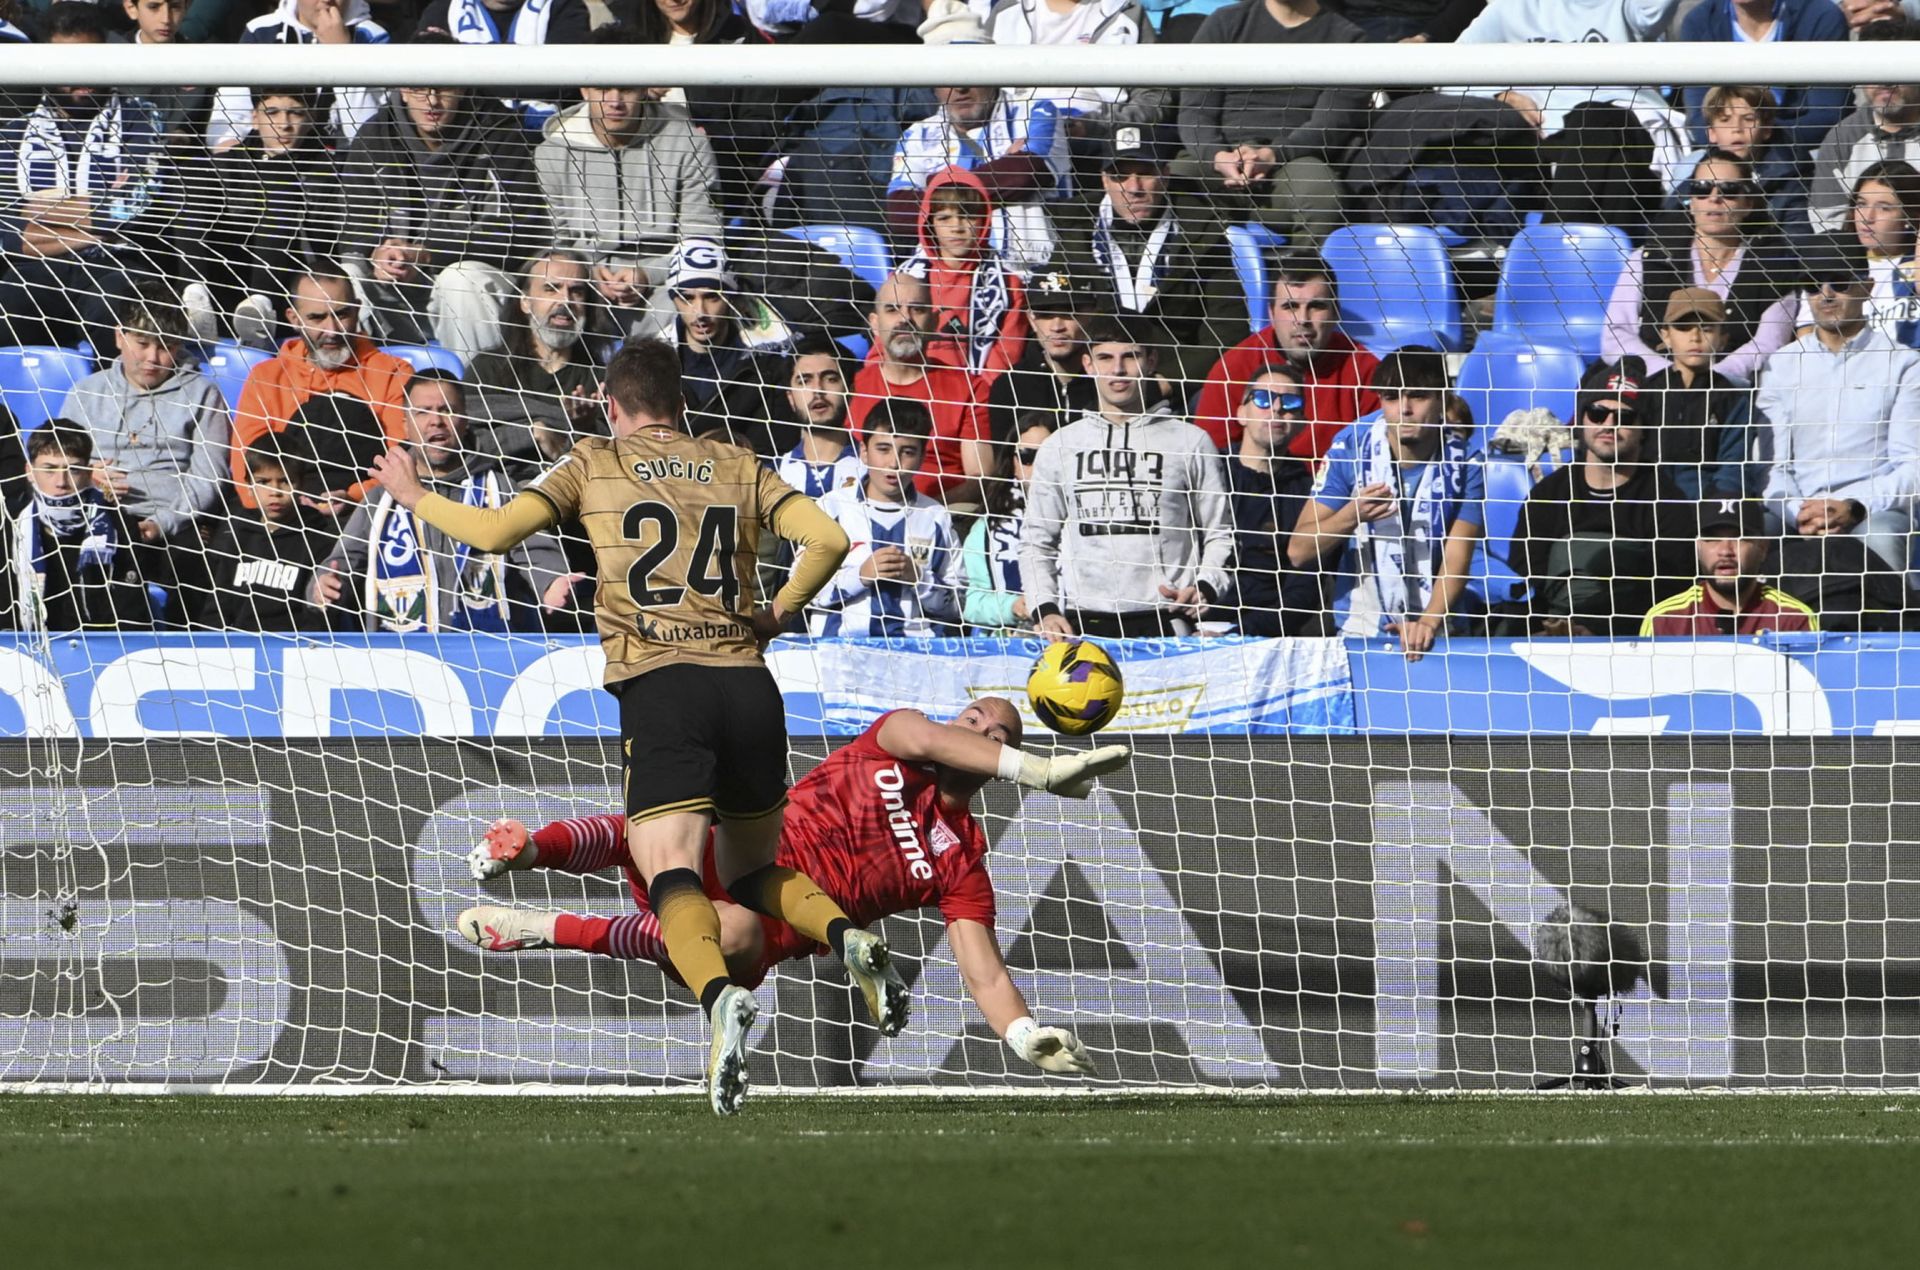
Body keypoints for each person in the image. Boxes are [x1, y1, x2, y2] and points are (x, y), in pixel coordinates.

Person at [366, 339, 879, 1116]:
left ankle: (717, 998)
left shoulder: (593, 463)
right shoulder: (737, 461)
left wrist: (413, 495)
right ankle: (844, 936)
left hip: (663, 684)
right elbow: (832, 540)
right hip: (749, 684)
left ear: (612, 405)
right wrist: (776, 613)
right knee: (747, 874)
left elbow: (496, 534)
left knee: (666, 866)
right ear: (681, 401)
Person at [459, 697, 1125, 1077]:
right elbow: (925, 734)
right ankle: (529, 850)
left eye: (996, 732)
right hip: (746, 842)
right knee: (665, 832)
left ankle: (544, 929)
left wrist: (1024, 1036)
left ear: (996, 763)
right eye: (975, 716)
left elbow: (983, 973)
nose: (977, 729)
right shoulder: (895, 736)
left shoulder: (962, 861)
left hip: (774, 922)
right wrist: (1037, 768)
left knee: (729, 937)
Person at [1019, 314, 1235, 639]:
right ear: (1088, 364)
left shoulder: (1191, 442)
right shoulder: (1060, 446)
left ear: (1150, 361)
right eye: (1105, 358)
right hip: (1083, 622)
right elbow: (1036, 541)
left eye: (1129, 356)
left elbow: (1222, 532)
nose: (1117, 371)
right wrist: (1045, 608)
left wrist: (1206, 586)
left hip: (1167, 618)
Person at [314, 372, 577, 632]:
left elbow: (534, 550)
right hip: (402, 655)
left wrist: (551, 581)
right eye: (423, 412)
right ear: (405, 424)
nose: (436, 421)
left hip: (487, 653)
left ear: (465, 421)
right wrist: (322, 583)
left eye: (447, 410)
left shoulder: (499, 487)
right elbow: (344, 559)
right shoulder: (381, 497)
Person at [336, 52, 551, 362]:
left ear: (462, 87)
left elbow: (520, 235)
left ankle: (483, 397)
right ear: (403, 89)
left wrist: (428, 252)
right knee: (346, 275)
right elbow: (353, 226)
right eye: (419, 88)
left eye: (444, 88)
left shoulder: (501, 133)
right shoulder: (374, 136)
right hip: (397, 289)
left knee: (461, 279)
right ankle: (358, 392)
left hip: (480, 293)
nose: (432, 101)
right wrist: (378, 253)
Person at [1286, 347, 1484, 659]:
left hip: (1440, 631)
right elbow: (1298, 551)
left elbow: (1458, 556)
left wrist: (1427, 624)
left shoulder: (1466, 461)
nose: (1403, 409)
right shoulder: (1350, 446)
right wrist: (1352, 515)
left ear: (1444, 400)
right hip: (1361, 630)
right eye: (1391, 397)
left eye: (1417, 396)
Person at [1759, 233, 1920, 571]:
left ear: (1868, 286)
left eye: (1840, 282)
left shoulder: (1904, 363)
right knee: (1752, 533)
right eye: (1813, 285)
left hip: (1873, 510)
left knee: (1883, 535)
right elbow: (1771, 467)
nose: (1826, 294)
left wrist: (1854, 505)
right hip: (1798, 510)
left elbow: (1913, 465)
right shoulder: (1781, 365)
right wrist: (1800, 511)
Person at [1507, 358, 1701, 637]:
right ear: (1583, 418)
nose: (1609, 424)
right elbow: (1525, 568)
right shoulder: (1548, 494)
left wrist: (1600, 628)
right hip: (1553, 632)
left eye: (1624, 417)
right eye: (1597, 413)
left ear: (1644, 429)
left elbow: (1673, 587)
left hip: (1634, 639)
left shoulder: (1667, 501)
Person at [533, 26, 724, 290]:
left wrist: (648, 274)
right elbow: (558, 243)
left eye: (626, 88)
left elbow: (701, 236)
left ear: (645, 87)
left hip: (668, 283)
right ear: (584, 90)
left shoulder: (687, 142)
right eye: (603, 88)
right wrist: (587, 274)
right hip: (583, 285)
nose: (615, 101)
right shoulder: (552, 152)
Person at [1173, 0, 1368, 247]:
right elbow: (1195, 110)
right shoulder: (1225, 21)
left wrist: (1271, 155)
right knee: (1170, 183)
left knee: (1321, 194)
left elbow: (1331, 124)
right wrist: (1218, 155)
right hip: (1219, 157)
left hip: (1292, 159)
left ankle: (1299, 281)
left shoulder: (1347, 37)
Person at [1064, 122, 1239, 394]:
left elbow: (1227, 332)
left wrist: (1166, 383)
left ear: (1165, 175)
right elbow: (1053, 318)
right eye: (1120, 177)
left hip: (1179, 383)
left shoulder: (1205, 233)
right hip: (1091, 379)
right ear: (1104, 181)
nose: (1134, 188)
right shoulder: (1072, 233)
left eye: (1145, 173)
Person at [1604, 148, 1798, 385]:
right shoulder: (1648, 257)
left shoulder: (1775, 266)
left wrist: (1712, 380)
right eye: (1702, 189)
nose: (1714, 198)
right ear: (1691, 203)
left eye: (1729, 190)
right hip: (1649, 385)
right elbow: (1616, 334)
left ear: (1748, 204)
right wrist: (1670, 375)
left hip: (1733, 390)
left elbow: (1769, 343)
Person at [177, 87, 348, 347]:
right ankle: (194, 298)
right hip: (233, 274)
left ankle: (261, 306)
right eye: (272, 112)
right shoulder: (233, 161)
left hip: (298, 280)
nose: (284, 124)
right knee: (195, 176)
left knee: (280, 187)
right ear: (254, 118)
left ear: (311, 117)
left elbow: (326, 239)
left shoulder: (330, 165)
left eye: (295, 113)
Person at [60, 291, 230, 552]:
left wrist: (164, 522)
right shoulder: (85, 392)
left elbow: (209, 477)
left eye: (166, 347)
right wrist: (85, 475)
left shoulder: (202, 393)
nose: (153, 357)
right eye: (142, 343)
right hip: (92, 513)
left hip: (173, 524)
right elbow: (57, 460)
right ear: (119, 337)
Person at [231, 271, 414, 508]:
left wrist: (355, 497)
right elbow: (246, 466)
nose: (332, 330)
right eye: (317, 318)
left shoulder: (393, 373)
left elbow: (402, 458)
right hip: (283, 512)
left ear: (357, 310)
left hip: (368, 510)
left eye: (341, 314)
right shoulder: (266, 377)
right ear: (294, 319)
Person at [1190, 250, 1380, 457]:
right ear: (1271, 314)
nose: (1302, 319)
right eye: (1290, 306)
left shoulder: (1365, 370)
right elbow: (1211, 457)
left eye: (1316, 306)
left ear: (1335, 314)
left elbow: (1378, 455)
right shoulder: (1235, 366)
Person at [807, 402, 965, 636]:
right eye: (883, 449)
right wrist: (860, 575)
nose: (894, 463)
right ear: (863, 451)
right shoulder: (831, 508)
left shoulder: (935, 517)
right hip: (840, 651)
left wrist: (919, 578)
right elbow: (802, 592)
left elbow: (959, 605)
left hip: (917, 654)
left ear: (922, 457)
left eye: (907, 452)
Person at [886, 81, 1072, 275]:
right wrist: (1005, 167)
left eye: (970, 77)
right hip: (949, 278)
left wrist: (935, 183)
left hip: (1034, 270)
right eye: (946, 81)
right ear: (934, 88)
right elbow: (900, 212)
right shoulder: (917, 134)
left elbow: (1026, 175)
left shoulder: (1035, 110)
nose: (960, 89)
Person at [850, 272, 994, 508]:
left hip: (945, 512)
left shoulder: (970, 389)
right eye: (892, 309)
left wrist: (924, 510)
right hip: (863, 511)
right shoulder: (853, 387)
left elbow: (980, 478)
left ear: (934, 321)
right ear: (874, 324)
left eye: (917, 309)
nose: (905, 318)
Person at [462, 249, 607, 476]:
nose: (565, 300)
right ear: (525, 302)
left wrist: (583, 429)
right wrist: (531, 432)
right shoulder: (488, 368)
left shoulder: (601, 379)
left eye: (577, 291)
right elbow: (465, 440)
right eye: (552, 288)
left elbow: (611, 458)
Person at [0, 423, 155, 631]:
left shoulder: (118, 526)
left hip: (99, 650)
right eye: (49, 469)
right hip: (27, 652)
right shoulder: (10, 526)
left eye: (73, 469)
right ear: (29, 472)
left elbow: (131, 613)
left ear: (89, 472)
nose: (61, 482)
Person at [659, 238, 794, 455]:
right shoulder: (653, 361)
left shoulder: (769, 359)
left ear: (730, 297)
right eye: (687, 298)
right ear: (674, 300)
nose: (699, 312)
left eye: (712, 297)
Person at [898, 167, 1029, 381]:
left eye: (967, 216)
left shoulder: (1008, 287)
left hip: (974, 400)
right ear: (929, 223)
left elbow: (1001, 365)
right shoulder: (905, 278)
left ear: (984, 220)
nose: (956, 227)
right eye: (944, 218)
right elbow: (882, 350)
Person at [207, 0, 391, 150]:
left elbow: (368, 137)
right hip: (265, 163)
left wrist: (341, 53)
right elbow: (231, 110)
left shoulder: (371, 36)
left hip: (343, 166)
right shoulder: (261, 31)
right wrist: (226, 146)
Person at [1677, 2, 1851, 161]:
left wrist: (1760, 135)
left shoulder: (1821, 15)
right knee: (1686, 174)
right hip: (1724, 151)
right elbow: (1700, 118)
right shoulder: (1699, 21)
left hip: (1804, 150)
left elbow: (1828, 114)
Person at [196, 444, 338, 631]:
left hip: (296, 647)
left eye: (285, 481)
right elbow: (218, 605)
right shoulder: (236, 535)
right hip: (240, 644)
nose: (275, 492)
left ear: (301, 485)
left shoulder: (319, 539)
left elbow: (319, 614)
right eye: (263, 482)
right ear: (248, 487)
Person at [1225, 365, 1321, 636]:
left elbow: (1304, 588)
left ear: (1301, 421)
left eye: (1290, 402)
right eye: (1263, 399)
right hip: (1195, 621)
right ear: (1241, 413)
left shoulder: (1309, 492)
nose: (1277, 409)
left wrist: (1242, 631)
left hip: (1269, 636)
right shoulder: (1208, 472)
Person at [1635, 288, 1754, 501]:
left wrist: (1713, 512)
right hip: (1645, 507)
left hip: (1706, 512)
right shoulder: (1644, 393)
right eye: (1683, 327)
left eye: (1706, 328)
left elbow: (1733, 470)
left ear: (1722, 339)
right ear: (1666, 336)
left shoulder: (1733, 400)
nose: (1695, 337)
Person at [1809, 16, 1920, 234]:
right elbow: (1827, 224)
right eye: (1874, 68)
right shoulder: (1841, 139)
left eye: (1896, 68)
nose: (1884, 81)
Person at [1642, 499, 1819, 635]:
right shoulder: (1664, 619)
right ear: (1697, 548)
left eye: (1739, 538)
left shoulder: (1794, 617)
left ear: (1763, 548)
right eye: (1713, 539)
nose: (1725, 551)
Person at [985, 269, 1097, 445]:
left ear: (1091, 316)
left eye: (1069, 312)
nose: (1057, 326)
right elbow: (1004, 465)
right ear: (1031, 319)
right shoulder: (1009, 386)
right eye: (1045, 314)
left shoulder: (1112, 380)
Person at [964, 415, 1052, 633]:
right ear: (1012, 462)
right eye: (1027, 456)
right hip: (1005, 649)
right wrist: (1011, 607)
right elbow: (969, 602)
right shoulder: (984, 529)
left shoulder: (1082, 521)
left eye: (1048, 455)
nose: (1038, 465)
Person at [773, 336, 863, 499]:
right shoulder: (774, 475)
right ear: (791, 398)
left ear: (850, 392)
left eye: (830, 379)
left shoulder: (873, 469)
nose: (818, 390)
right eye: (804, 381)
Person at [1850, 160, 1920, 345]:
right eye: (1862, 204)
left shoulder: (1914, 264)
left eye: (1884, 208)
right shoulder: (1836, 263)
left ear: (1911, 215)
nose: (1867, 218)